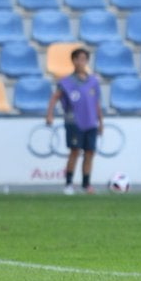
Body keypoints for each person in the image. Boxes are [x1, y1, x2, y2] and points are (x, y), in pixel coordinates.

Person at [45, 47, 104, 195]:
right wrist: (50, 115)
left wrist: (101, 122)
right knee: (75, 151)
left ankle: (86, 184)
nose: (81, 62)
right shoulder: (66, 82)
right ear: (74, 61)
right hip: (74, 121)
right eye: (78, 59)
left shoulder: (93, 82)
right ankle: (69, 184)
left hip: (91, 121)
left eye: (84, 59)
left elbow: (96, 103)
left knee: (90, 152)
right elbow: (54, 97)